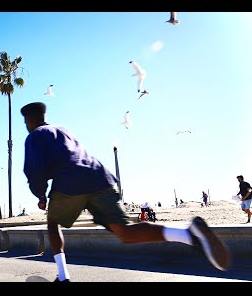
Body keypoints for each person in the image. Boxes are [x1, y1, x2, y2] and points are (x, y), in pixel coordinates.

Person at [20, 102, 232, 282]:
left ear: (30, 120)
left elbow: (34, 169)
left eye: (25, 122)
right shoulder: (64, 130)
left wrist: (40, 195)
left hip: (69, 182)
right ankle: (188, 234)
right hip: (99, 177)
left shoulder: (35, 136)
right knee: (126, 233)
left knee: (52, 222)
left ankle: (63, 277)